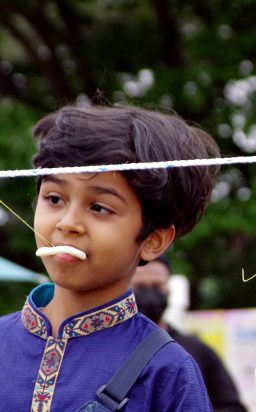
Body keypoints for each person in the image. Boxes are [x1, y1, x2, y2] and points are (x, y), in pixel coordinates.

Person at [0, 104, 219, 410]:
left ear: (153, 241)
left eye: (99, 207)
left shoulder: (167, 370)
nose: (67, 223)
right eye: (54, 199)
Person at [132, 255, 247, 412]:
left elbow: (231, 406)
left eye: (157, 286)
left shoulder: (197, 351)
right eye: (141, 287)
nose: (150, 294)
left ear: (169, 289)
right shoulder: (111, 347)